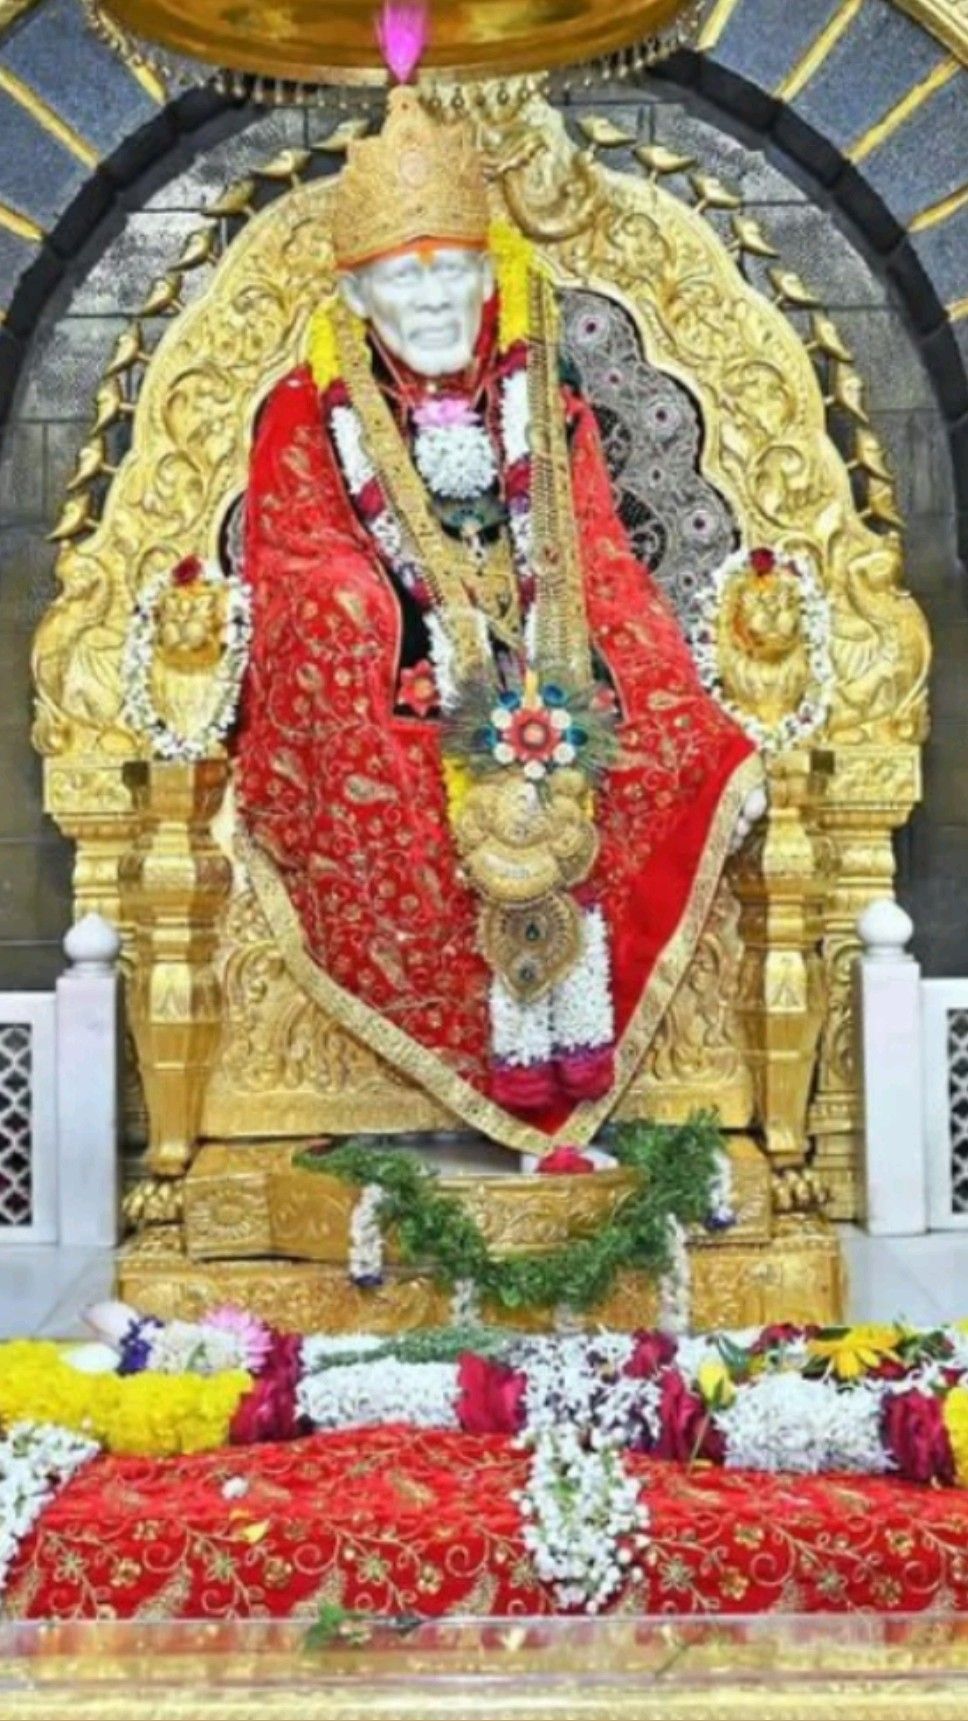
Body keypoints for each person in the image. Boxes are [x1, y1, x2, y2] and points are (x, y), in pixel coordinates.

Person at [234, 88, 762, 1152]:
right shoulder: (309, 407)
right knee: (348, 645)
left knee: (659, 743)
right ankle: (430, 1090)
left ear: (488, 280)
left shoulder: (535, 393)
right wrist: (408, 628)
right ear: (358, 290)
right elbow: (298, 563)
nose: (430, 306)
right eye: (402, 279)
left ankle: (588, 1060)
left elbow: (595, 551)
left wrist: (582, 667)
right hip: (400, 685)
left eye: (449, 277)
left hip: (540, 674)